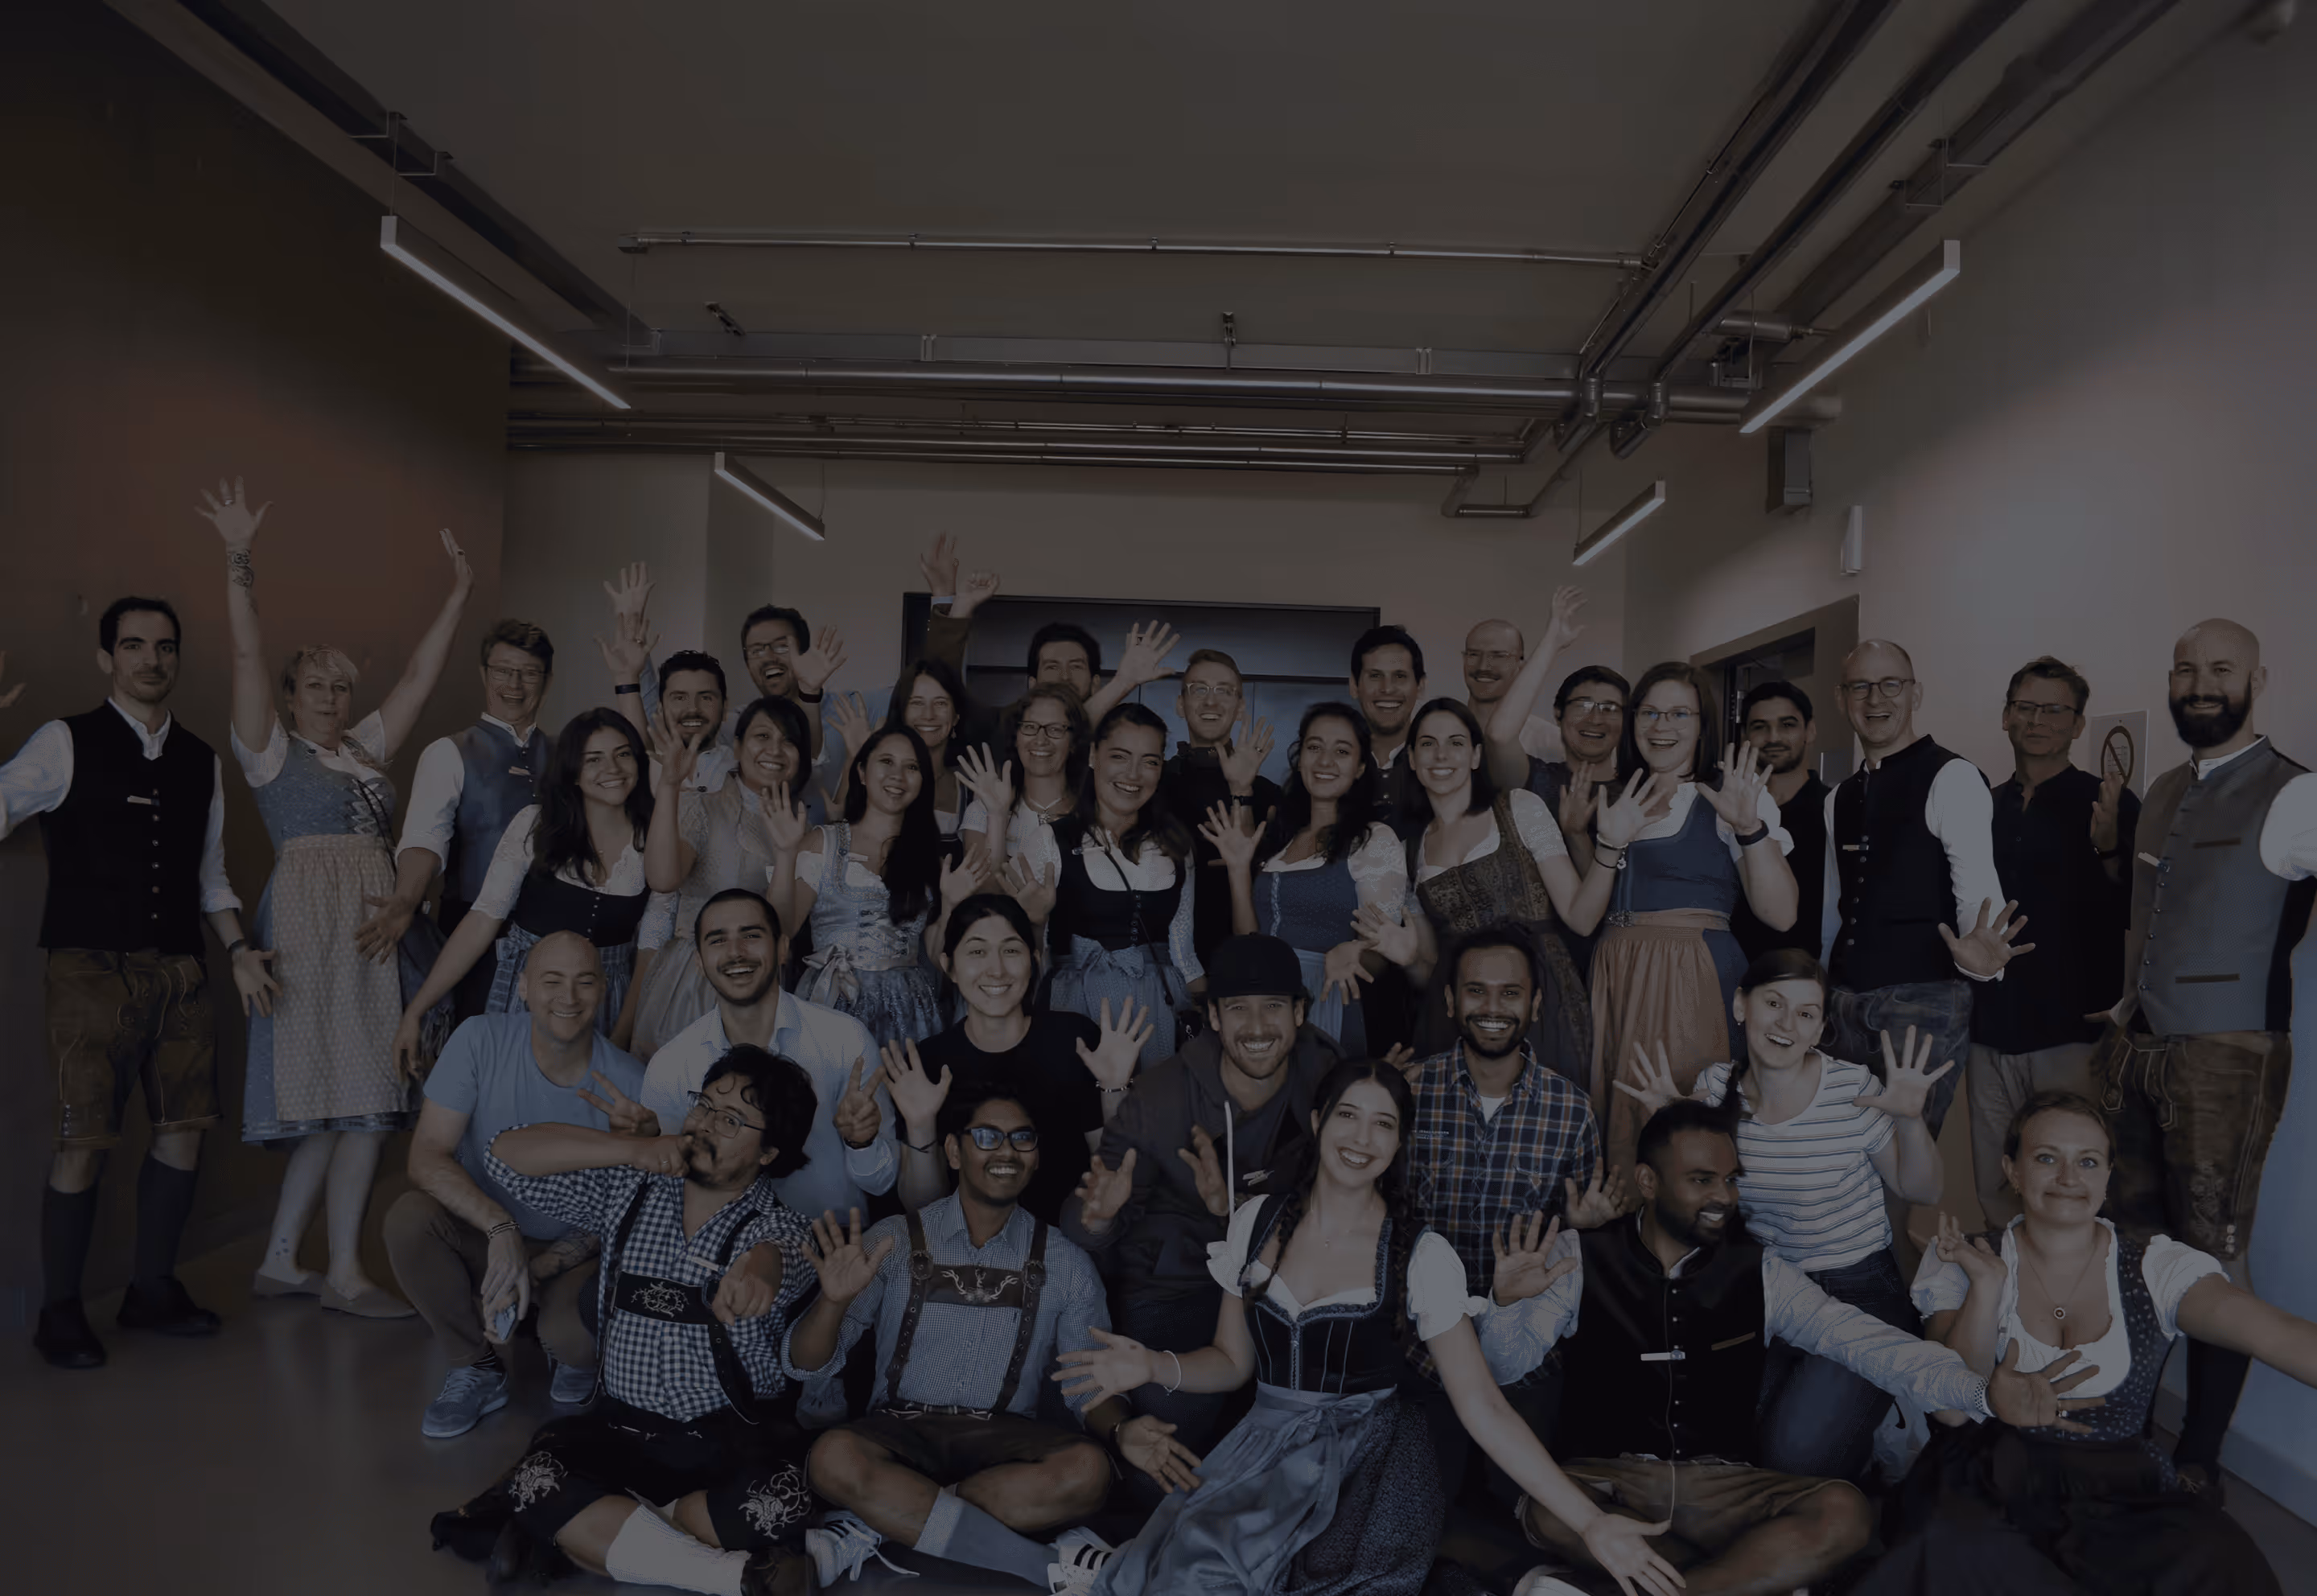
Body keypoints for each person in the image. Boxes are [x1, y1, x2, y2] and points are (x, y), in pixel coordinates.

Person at [1056, 1058, 1681, 1596]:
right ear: (1319, 1118)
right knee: (1193, 1574)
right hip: (1264, 1446)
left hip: (1368, 1458)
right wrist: (1153, 1366)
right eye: (1349, 1115)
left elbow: (1484, 1407)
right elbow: (1232, 1361)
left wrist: (1590, 1522)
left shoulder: (1420, 1252)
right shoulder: (1256, 1221)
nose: (1363, 1137)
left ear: (1399, 1141)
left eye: (1384, 1124)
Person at [1498, 1100, 2082, 1596]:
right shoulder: (1575, 1256)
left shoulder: (1762, 1273)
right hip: (1607, 1482)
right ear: (1648, 1182)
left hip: (1725, 1487)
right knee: (1550, 1507)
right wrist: (1506, 1308)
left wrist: (1978, 1390)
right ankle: (1752, 1580)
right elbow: (1505, 1366)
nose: (1723, 1197)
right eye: (1701, 1179)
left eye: (1730, 1179)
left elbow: (1869, 1344)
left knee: (1845, 1512)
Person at [1862, 1092, 2317, 1594]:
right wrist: (1987, 1290)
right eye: (2046, 1158)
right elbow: (1950, 1412)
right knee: (1957, 1551)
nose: (2068, 1178)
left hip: (2123, 1485)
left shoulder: (2157, 1267)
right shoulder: (1963, 1257)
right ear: (2012, 1170)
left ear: (2107, 1177)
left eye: (2088, 1161)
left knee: (2220, 1560)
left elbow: (2277, 1334)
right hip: (1988, 1472)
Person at [210, 482, 470, 1318]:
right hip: (310, 926)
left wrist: (459, 591)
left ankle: (290, 1260)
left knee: (355, 1105)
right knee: (347, 1104)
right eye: (315, 687)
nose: (331, 698)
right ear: (290, 698)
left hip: (373, 926)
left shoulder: (363, 749)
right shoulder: (270, 754)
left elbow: (424, 678)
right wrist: (238, 560)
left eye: (340, 687)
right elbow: (248, 655)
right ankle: (346, 1271)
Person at [2, 592, 279, 1367]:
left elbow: (211, 876)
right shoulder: (64, 741)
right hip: (88, 970)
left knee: (183, 1130)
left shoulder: (201, 759)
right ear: (107, 658)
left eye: (163, 648)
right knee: (82, 1140)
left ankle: (150, 1289)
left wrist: (235, 949)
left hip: (182, 968)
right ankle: (60, 1311)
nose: (150, 661)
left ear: (176, 658)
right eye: (133, 646)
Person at [787, 1089, 1192, 1594]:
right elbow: (806, 1367)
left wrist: (1121, 1433)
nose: (1006, 1151)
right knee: (832, 1457)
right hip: (897, 1433)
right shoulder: (892, 1240)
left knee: (1088, 1470)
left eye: (1022, 1139)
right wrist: (829, 1303)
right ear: (954, 1153)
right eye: (987, 1137)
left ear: (1036, 1157)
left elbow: (1090, 1384)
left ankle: (878, 1519)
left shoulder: (1065, 1261)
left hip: (1004, 1442)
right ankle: (1043, 1564)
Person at [472, 1048, 825, 1596]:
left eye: (731, 1120)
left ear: (770, 1152)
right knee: (537, 1479)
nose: (705, 1124)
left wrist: (759, 1271)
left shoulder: (781, 1227)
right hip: (619, 1432)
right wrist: (632, 1148)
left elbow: (778, 1257)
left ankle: (591, 1532)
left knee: (780, 1501)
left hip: (725, 1445)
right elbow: (503, 1155)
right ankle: (729, 1577)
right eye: (704, 1105)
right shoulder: (630, 1190)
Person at [2093, 618, 2315, 1485]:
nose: (2199, 684)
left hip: (2229, 1056)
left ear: (2260, 677)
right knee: (2134, 1245)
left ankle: (2199, 1458)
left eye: (2220, 669)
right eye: (2186, 669)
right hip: (2139, 1045)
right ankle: (2126, 1421)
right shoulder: (2166, 788)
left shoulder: (2295, 792)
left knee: (2215, 1251)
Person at [1616, 948, 1953, 1482]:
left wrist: (1911, 1120)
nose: (1786, 1024)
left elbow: (1924, 1189)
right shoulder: (1713, 1087)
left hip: (1857, 1290)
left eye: (1805, 1013)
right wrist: (1667, 1130)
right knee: (1712, 1436)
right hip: (1763, 1290)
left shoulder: (1852, 1090)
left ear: (1820, 1028)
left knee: (1793, 1455)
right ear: (1741, 1005)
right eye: (1773, 1003)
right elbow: (1685, 1212)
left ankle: (1864, 1450)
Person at [1064, 934, 1339, 1466]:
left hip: (1285, 1279)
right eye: (1238, 1009)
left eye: (1274, 1008)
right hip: (1178, 1287)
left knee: (1313, 1447)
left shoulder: (1325, 1070)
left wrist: (1232, 1207)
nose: (1257, 1028)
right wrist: (1100, 1215)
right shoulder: (1162, 1095)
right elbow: (1086, 1219)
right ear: (1213, 1017)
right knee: (1163, 1455)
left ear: (1300, 1012)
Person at [385, 932, 648, 1437]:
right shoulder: (478, 1039)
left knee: (573, 1342)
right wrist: (498, 1229)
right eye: (552, 982)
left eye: (584, 982)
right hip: (486, 1232)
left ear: (604, 990)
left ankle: (559, 1342)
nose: (568, 998)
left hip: (575, 1250)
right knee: (409, 1219)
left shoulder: (630, 1083)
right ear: (523, 987)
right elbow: (426, 1157)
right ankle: (476, 1365)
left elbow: (624, 1214)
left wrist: (535, 1266)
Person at [1401, 927, 1609, 1499]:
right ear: (1450, 1001)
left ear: (1536, 1003)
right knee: (1420, 1516)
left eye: (1511, 993)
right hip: (1421, 1358)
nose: (1493, 1008)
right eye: (1476, 991)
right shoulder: (1408, 1095)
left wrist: (1589, 1231)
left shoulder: (1572, 1111)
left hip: (1524, 1364)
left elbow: (1580, 1237)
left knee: (1517, 1518)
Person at [1592, 662, 1799, 1177]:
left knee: (1682, 1120)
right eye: (1650, 712)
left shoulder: (1731, 794)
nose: (1662, 726)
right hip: (1617, 973)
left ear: (1703, 725)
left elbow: (1781, 913)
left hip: (1688, 976)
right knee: (1617, 1120)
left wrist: (1749, 826)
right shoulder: (1618, 795)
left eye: (1679, 713)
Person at [1820, 639, 2023, 1137]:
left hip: (1922, 1002)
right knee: (1838, 1152)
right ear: (1841, 698)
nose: (1875, 699)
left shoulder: (1952, 777)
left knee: (1896, 1158)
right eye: (1860, 687)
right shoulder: (1839, 798)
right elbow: (1837, 909)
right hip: (1844, 1001)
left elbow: (1978, 897)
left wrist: (1979, 961)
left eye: (1891, 685)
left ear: (1916, 695)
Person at [393, 710, 665, 1070]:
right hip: (526, 995)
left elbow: (650, 955)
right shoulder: (534, 825)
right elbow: (482, 922)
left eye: (623, 753)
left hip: (607, 1000)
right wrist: (417, 1010)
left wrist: (621, 1039)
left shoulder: (656, 841)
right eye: (594, 759)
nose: (612, 768)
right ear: (572, 772)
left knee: (585, 1117)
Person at [1968, 656, 2138, 1225]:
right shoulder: (1979, 808)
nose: (2038, 719)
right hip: (1989, 1029)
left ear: (2078, 724)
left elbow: (2139, 907)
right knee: (1998, 1185)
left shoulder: (2107, 803)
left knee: (2073, 1189)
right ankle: (2005, 1302)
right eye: (2026, 707)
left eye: (2054, 709)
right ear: (2006, 718)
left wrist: (2110, 847)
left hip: (2073, 1034)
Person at [641, 889, 924, 1220]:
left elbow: (882, 1184)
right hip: (720, 1258)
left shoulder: (845, 1039)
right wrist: (640, 1143)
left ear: (782, 948)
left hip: (834, 1250)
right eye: (718, 940)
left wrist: (861, 1142)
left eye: (751, 935)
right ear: (700, 963)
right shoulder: (671, 1064)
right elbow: (665, 1186)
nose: (736, 952)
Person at [1369, 697, 1597, 1075]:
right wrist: (1408, 958)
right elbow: (1427, 969)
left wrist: (1610, 847)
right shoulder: (1410, 849)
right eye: (1428, 744)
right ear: (1411, 759)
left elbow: (1581, 918)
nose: (1441, 755)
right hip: (1457, 1004)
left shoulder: (1519, 807)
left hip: (1541, 991)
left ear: (1476, 756)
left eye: (1456, 743)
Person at [885, 894, 1145, 1224]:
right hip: (964, 1253)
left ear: (1034, 959)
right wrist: (920, 1125)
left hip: (1066, 1239)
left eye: (1011, 950)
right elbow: (922, 1210)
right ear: (949, 966)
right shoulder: (927, 1063)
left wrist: (1114, 1090)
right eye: (977, 952)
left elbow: (1112, 1177)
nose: (996, 970)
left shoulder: (1077, 1042)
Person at [356, 618, 556, 1022]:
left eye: (529, 673)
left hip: (553, 938)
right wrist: (407, 898)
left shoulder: (569, 755)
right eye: (503, 671)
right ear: (484, 674)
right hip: (473, 940)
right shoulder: (448, 752)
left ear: (546, 680)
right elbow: (424, 841)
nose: (514, 685)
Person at [1202, 701, 1401, 1053]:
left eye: (1341, 751)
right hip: (1263, 1001)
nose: (1325, 761)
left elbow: (1381, 951)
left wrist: (1354, 950)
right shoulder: (1281, 833)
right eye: (1314, 747)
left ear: (1358, 768)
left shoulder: (1372, 839)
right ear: (1300, 757)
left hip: (1327, 998)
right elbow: (1250, 940)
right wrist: (1237, 870)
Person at [771, 722, 986, 1047]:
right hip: (833, 999)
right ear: (861, 772)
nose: (897, 775)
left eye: (911, 767)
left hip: (910, 1009)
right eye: (886, 762)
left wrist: (951, 903)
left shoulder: (929, 855)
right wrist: (786, 854)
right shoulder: (823, 843)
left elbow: (936, 956)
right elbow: (780, 931)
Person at [629, 694, 816, 1056]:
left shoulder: (804, 824)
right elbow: (664, 879)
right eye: (763, 737)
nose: (775, 750)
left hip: (763, 978)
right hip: (697, 976)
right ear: (740, 745)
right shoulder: (702, 804)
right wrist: (669, 787)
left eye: (789, 741)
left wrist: (787, 851)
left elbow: (783, 927)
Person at [1022, 703, 1203, 1062]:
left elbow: (1184, 954)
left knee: (1151, 1111)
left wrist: (1220, 1012)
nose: (1134, 774)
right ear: (1094, 756)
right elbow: (1029, 959)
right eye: (1120, 756)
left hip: (1157, 1012)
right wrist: (1036, 921)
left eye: (1150, 761)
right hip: (1074, 1005)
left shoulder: (1178, 848)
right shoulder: (1048, 841)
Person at [1158, 649, 1282, 967]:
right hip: (1163, 963)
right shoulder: (1152, 785)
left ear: (1240, 708)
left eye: (1224, 691)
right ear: (1180, 703)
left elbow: (1270, 888)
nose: (1210, 702)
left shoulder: (1271, 795)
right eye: (1199, 689)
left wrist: (1242, 792)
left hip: (1242, 959)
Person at [1730, 680, 1829, 963]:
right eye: (1760, 727)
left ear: (1810, 730)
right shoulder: (1728, 810)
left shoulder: (1834, 809)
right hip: (1730, 970)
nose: (1773, 737)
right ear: (1745, 735)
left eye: (1788, 725)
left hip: (1804, 978)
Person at [956, 682, 1089, 884]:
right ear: (1016, 738)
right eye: (1029, 727)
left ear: (1074, 742)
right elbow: (985, 894)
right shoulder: (981, 811)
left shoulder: (1094, 811)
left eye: (1055, 729)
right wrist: (997, 817)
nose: (1040, 739)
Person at [1469, 588, 1591, 792]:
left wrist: (1552, 643)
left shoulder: (1550, 742)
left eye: (1499, 656)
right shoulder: (1440, 731)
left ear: (1522, 666)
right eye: (1473, 654)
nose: (1484, 666)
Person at [1348, 625, 1427, 823]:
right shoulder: (1332, 765)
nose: (1387, 688)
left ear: (1420, 686)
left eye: (1399, 676)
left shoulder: (1442, 763)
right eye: (1375, 676)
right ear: (1354, 686)